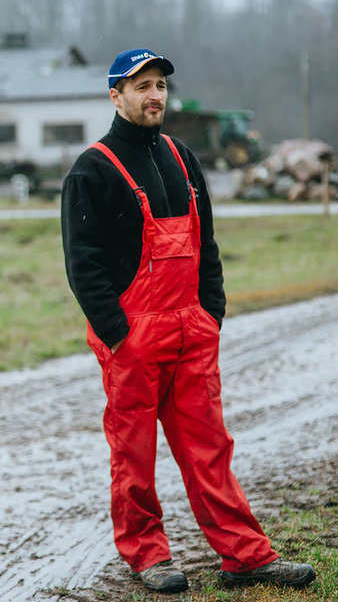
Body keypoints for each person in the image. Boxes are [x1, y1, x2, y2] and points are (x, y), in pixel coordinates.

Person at [60, 48, 316, 593]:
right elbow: (83, 264)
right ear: (116, 96)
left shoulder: (181, 157)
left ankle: (245, 557)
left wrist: (211, 311)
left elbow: (207, 245)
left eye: (160, 86)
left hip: (192, 331)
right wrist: (118, 334)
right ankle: (148, 556)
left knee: (211, 448)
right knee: (134, 456)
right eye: (141, 86)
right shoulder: (93, 169)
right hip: (134, 337)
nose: (155, 95)